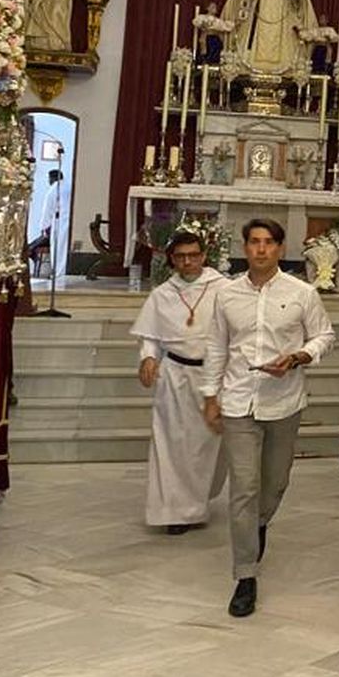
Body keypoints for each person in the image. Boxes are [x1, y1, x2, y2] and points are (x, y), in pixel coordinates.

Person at [198, 218, 335, 618]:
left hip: (284, 402)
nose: (261, 249)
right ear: (245, 248)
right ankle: (246, 575)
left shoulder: (302, 293)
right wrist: (210, 395)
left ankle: (257, 525)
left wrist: (298, 357)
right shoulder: (226, 295)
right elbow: (217, 347)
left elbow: (324, 336)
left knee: (273, 484)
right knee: (243, 485)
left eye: (269, 243)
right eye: (254, 242)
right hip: (239, 401)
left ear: (279, 248)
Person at [131, 229, 227, 534]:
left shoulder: (224, 289)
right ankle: (172, 512)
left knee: (204, 445)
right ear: (172, 259)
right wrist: (148, 358)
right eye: (181, 257)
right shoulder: (162, 294)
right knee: (169, 444)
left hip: (212, 376)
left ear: (203, 255)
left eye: (193, 255)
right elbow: (150, 334)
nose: (188, 262)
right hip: (173, 375)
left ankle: (196, 502)